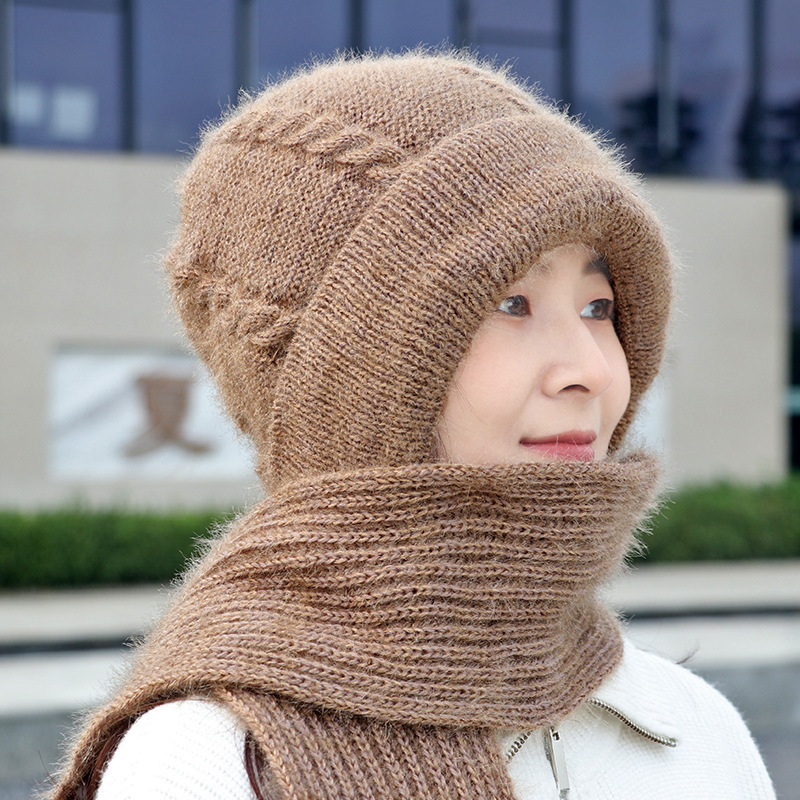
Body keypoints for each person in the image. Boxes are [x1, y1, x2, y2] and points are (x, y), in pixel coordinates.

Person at [50, 51, 775, 800]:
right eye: (511, 304)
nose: (590, 369)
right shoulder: (211, 762)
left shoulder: (692, 727)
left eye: (600, 308)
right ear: (355, 377)